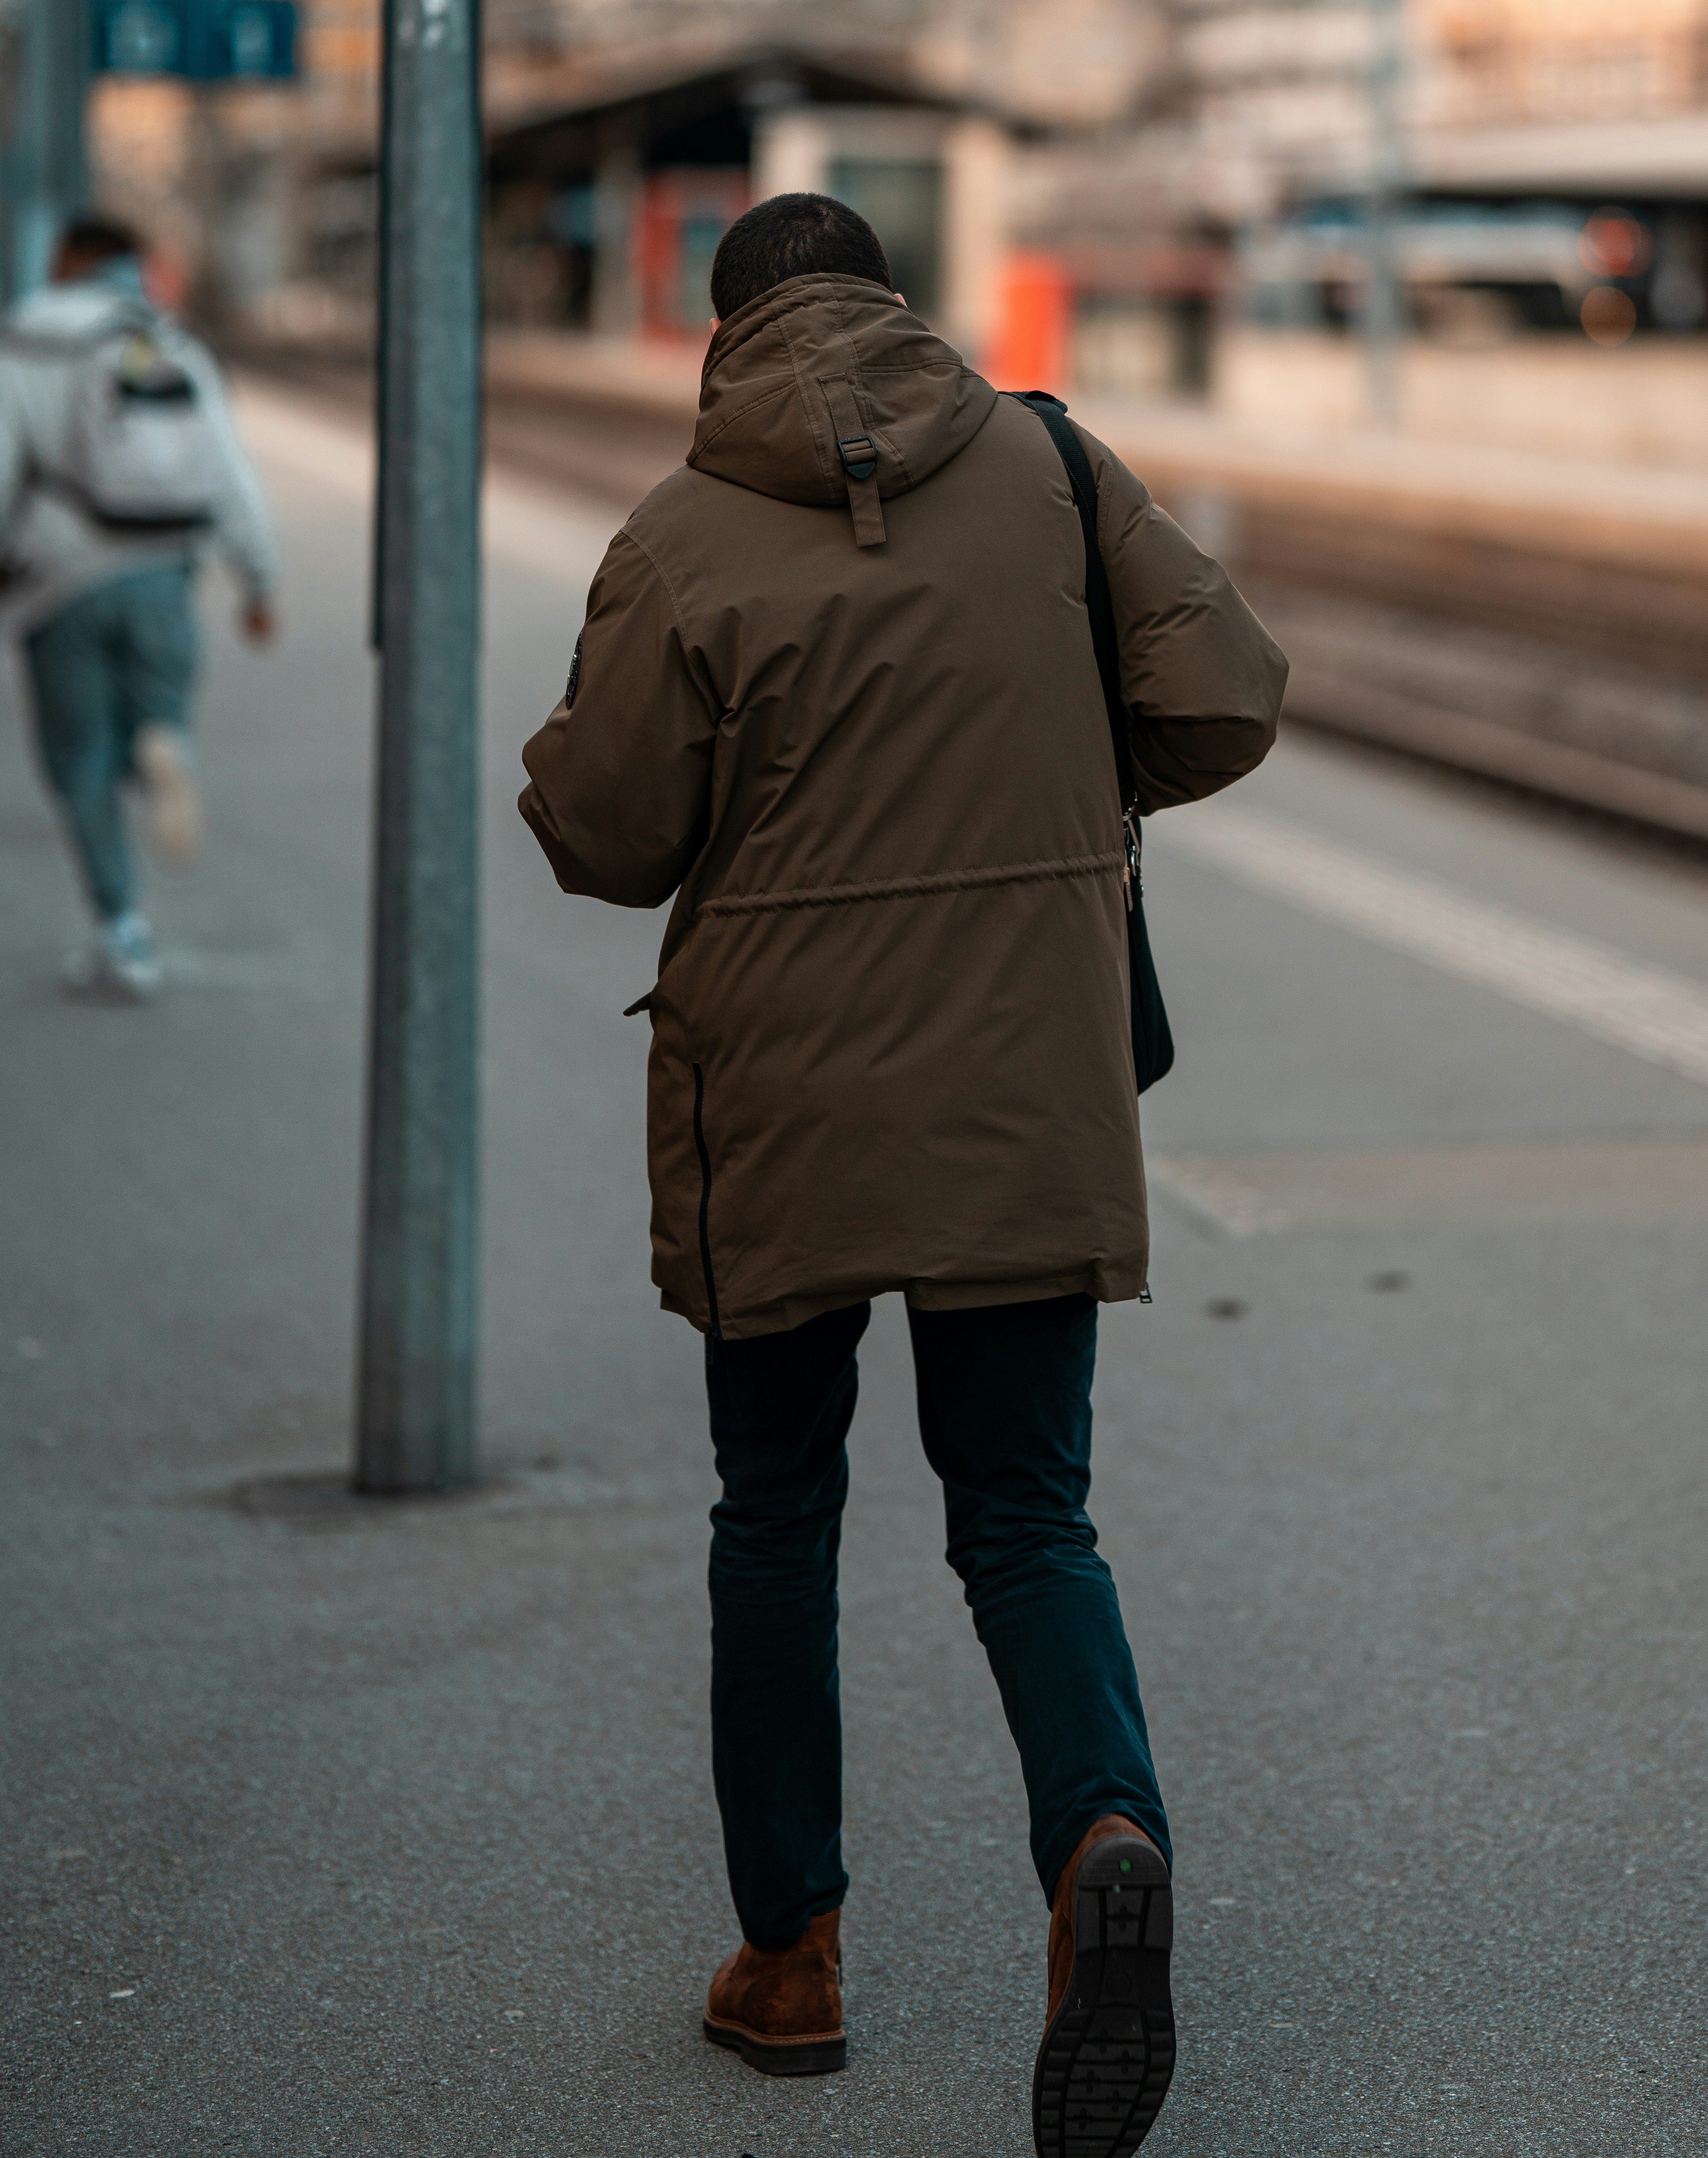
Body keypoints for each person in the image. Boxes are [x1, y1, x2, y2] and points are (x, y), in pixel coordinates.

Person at [520, 190, 1285, 2154]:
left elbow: (605, 835)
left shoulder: (680, 533)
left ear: (723, 332)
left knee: (774, 1514)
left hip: (774, 1098)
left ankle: (791, 1966)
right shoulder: (1039, 461)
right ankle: (1101, 1835)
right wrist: (1060, 784)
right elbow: (1224, 695)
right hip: (1021, 1084)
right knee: (1025, 1515)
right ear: (890, 299)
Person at [0, 213, 278, 1001]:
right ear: (130, 264)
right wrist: (259, 579)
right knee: (150, 713)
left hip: (61, 583)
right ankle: (164, 739)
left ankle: (122, 936)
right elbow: (229, 470)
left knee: (80, 758)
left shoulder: (30, 333)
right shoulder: (169, 336)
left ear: (67, 259)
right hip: (165, 571)